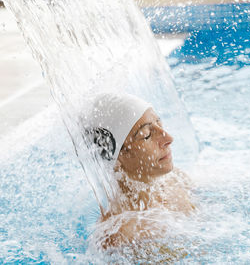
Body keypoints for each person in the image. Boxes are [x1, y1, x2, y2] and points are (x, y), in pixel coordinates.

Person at [84, 92, 195, 251]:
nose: (168, 138)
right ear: (118, 159)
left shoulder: (177, 181)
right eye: (147, 135)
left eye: (159, 123)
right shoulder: (118, 235)